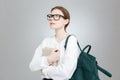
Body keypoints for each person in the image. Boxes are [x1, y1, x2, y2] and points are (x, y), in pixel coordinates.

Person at [29, 6, 80, 80]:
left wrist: (45, 71)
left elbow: (65, 73)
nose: (52, 19)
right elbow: (32, 66)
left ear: (66, 21)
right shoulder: (46, 41)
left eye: (56, 16)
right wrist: (48, 60)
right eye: (51, 16)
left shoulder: (71, 40)